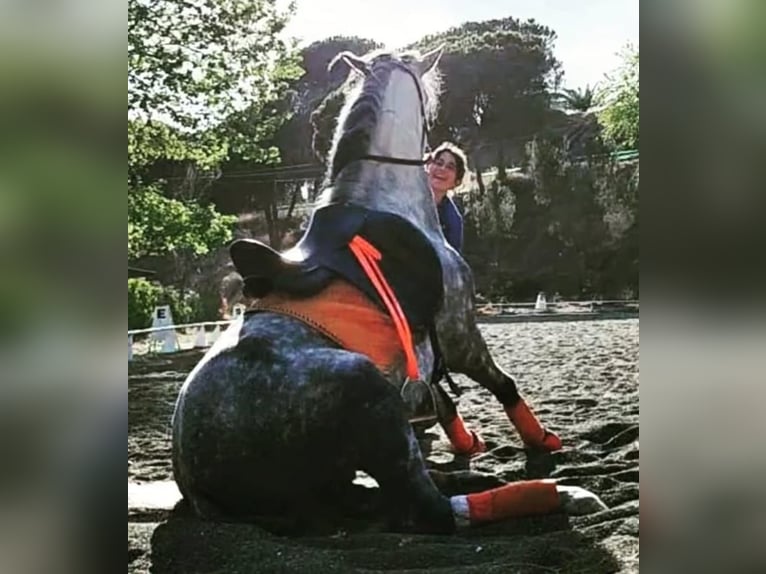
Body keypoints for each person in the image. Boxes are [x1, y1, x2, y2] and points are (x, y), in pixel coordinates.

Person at [425, 142, 467, 253]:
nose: (442, 169)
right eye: (439, 163)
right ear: (428, 167)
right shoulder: (405, 197)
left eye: (450, 167)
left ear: (457, 182)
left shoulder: (453, 221)